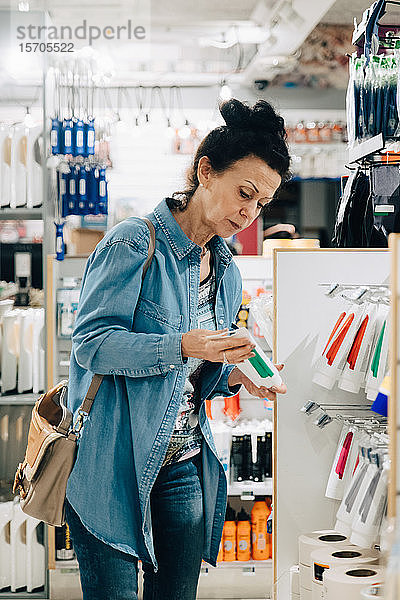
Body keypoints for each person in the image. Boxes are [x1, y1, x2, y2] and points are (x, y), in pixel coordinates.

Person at [65, 98, 290, 600]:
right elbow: (91, 346)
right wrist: (178, 344)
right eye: (244, 193)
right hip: (112, 465)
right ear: (206, 172)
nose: (249, 213)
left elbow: (196, 377)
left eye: (261, 205)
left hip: (182, 464)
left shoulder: (227, 270)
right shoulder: (133, 244)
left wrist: (238, 373)